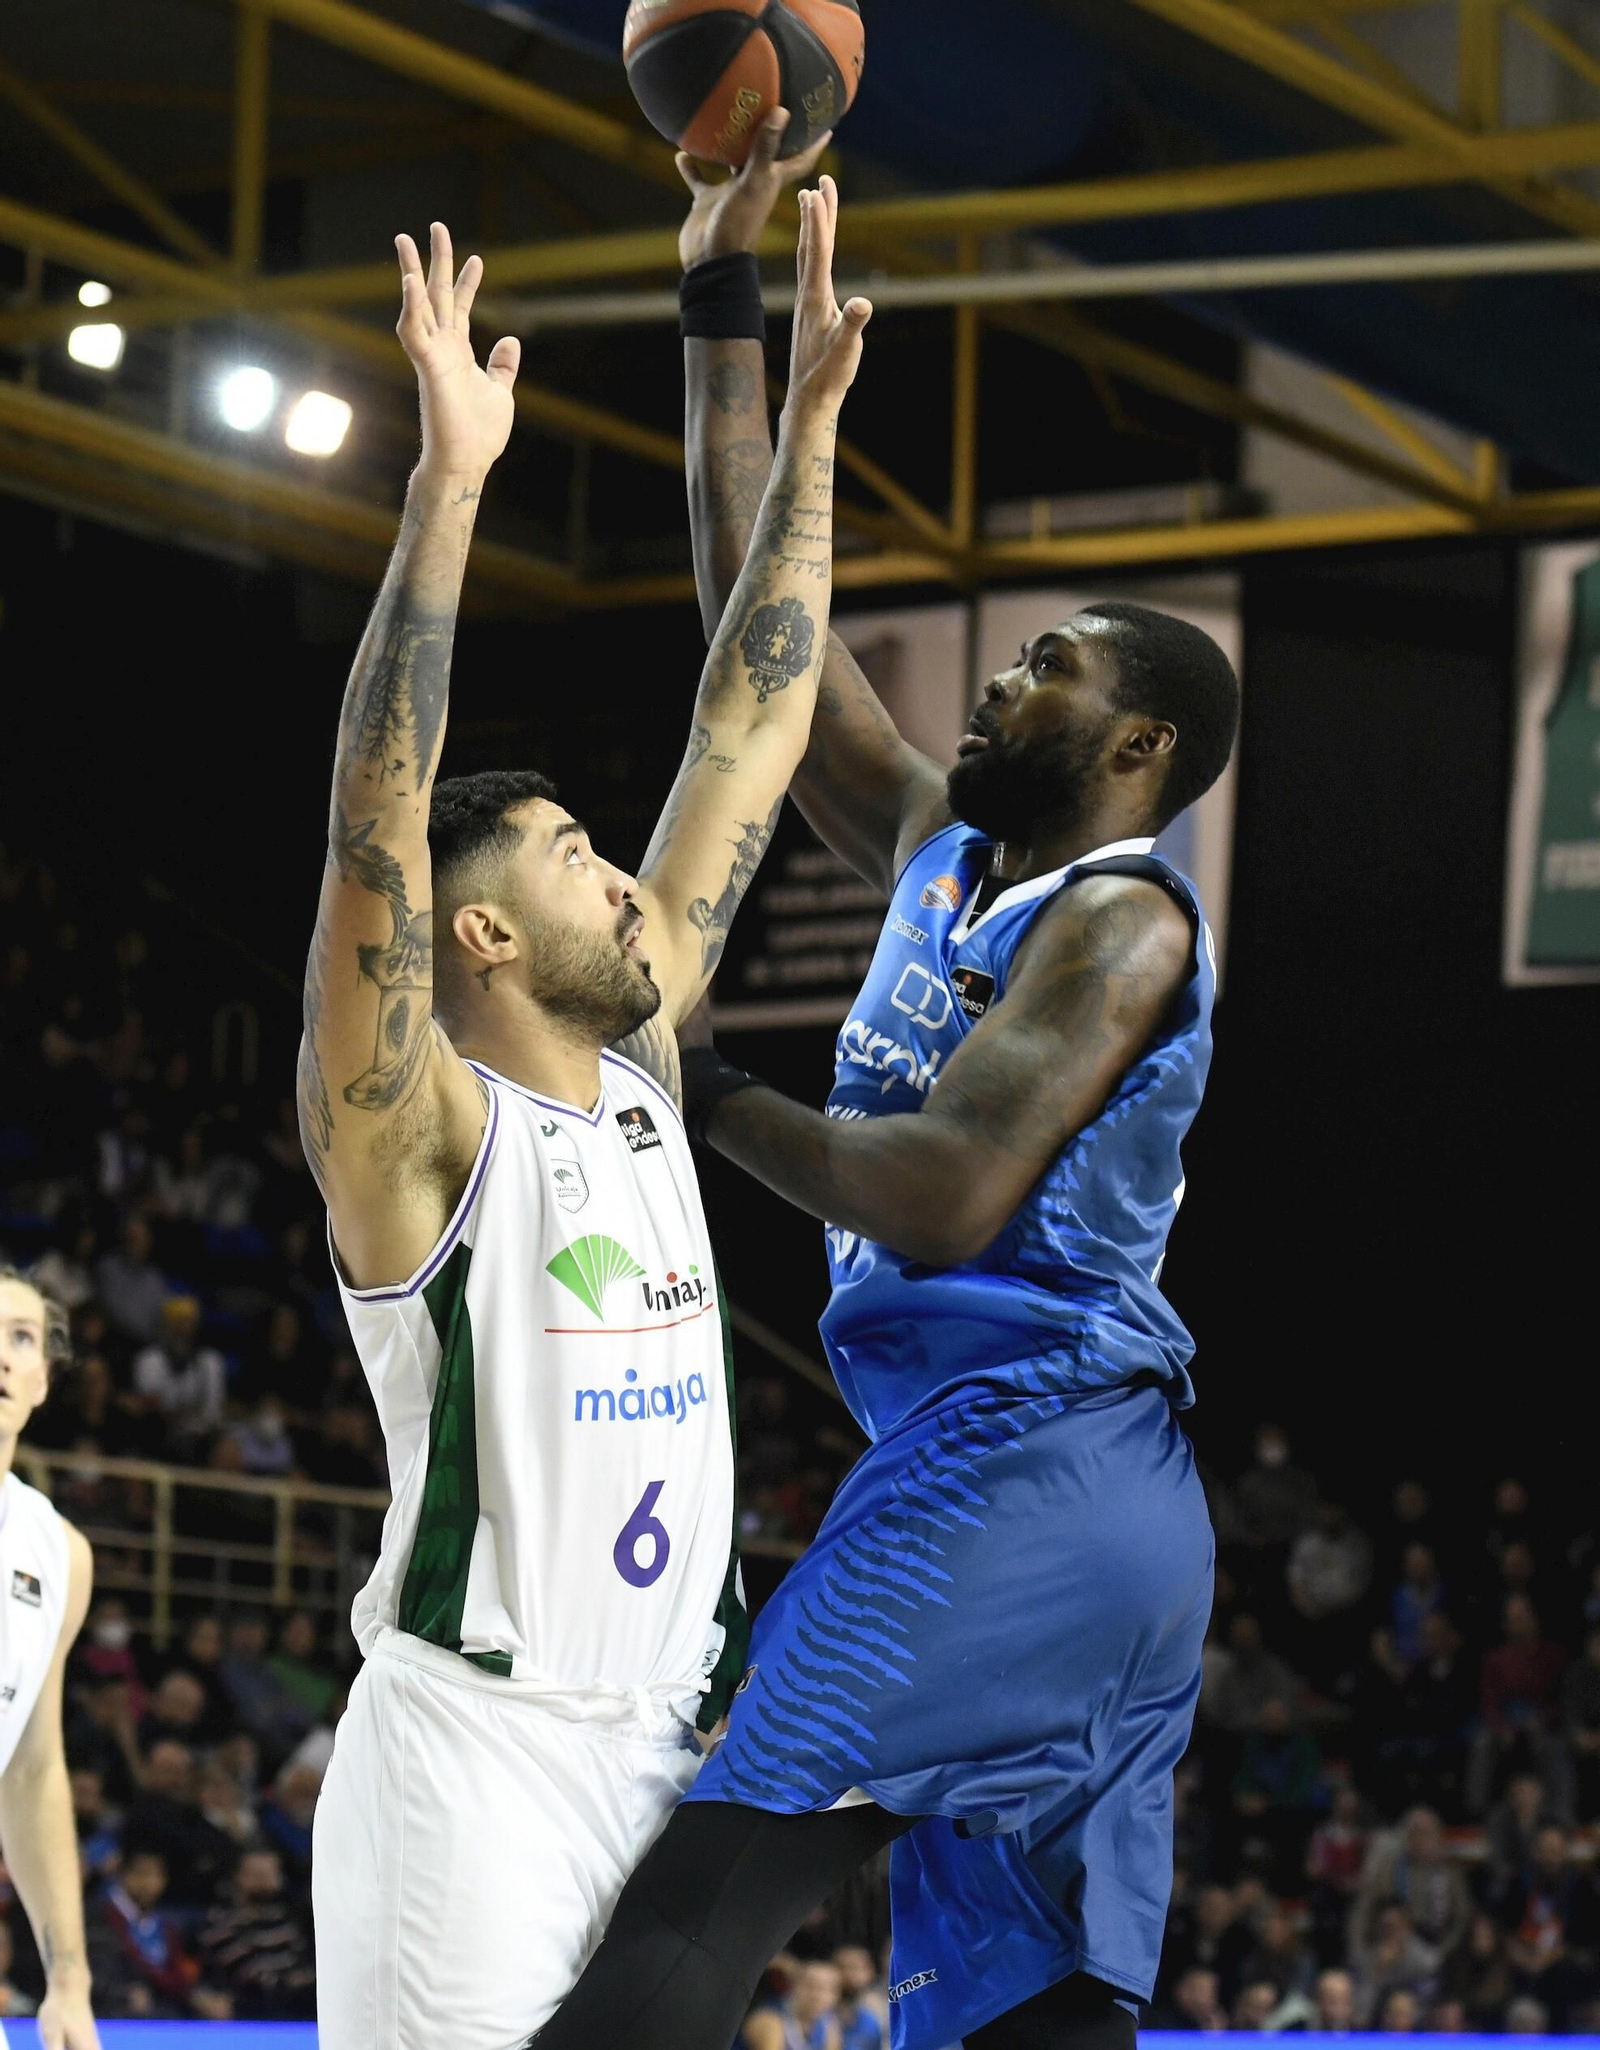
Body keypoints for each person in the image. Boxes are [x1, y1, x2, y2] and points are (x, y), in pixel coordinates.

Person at [534, 119, 1238, 2050]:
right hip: (1047, 1486)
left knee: (710, 1881)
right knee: (1024, 2018)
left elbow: (941, 1192)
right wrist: (723, 295)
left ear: (1141, 744)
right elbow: (754, 617)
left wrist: (680, 1078)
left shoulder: (1125, 928)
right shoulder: (945, 841)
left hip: (1033, 1463)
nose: (1006, 677)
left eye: (1055, 667)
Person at [303, 194, 869, 2050]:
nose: (631, 883)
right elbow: (373, 824)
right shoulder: (411, 1139)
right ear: (476, 937)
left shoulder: (638, 1070)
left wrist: (806, 445)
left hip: (658, 1758)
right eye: (575, 861)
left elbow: (749, 733)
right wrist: (449, 488)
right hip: (472, 1770)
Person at [0, 1265, 99, 2048]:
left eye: (21, 1337)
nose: (1, 1354)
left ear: (41, 1380)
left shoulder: (59, 1554)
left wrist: (67, 1978)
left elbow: (32, 1770)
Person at [744, 1957, 844, 2050]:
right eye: (811, 1986)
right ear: (794, 1986)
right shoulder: (769, 2019)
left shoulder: (828, 2024)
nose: (817, 1996)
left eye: (827, 1989)